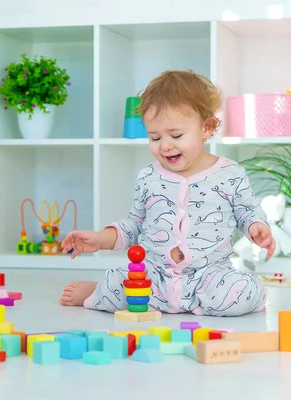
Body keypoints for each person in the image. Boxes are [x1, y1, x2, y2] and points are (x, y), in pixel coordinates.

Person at [60, 70, 275, 317]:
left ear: (207, 127)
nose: (165, 145)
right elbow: (135, 225)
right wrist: (100, 239)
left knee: (238, 292)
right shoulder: (149, 177)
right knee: (116, 283)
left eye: (176, 135)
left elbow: (247, 211)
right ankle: (98, 291)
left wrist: (256, 226)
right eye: (154, 137)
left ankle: (216, 299)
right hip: (152, 277)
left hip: (208, 277)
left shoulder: (230, 173)